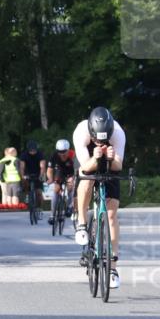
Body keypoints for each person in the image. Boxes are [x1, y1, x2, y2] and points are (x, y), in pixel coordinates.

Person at [73, 107, 126, 290]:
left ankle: (113, 268)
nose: (100, 143)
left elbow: (118, 166)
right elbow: (86, 168)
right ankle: (82, 223)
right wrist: (96, 158)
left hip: (109, 166)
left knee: (111, 215)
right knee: (87, 180)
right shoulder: (81, 132)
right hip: (88, 161)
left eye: (103, 140)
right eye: (96, 140)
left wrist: (111, 159)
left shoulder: (118, 133)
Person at [47, 139, 77, 224]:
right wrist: (50, 179)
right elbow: (49, 170)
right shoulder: (54, 156)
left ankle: (69, 206)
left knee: (70, 186)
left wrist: (73, 178)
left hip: (71, 172)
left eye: (64, 152)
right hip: (59, 171)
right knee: (56, 189)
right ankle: (52, 215)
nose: (62, 154)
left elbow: (77, 169)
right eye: (59, 152)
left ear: (68, 150)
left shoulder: (73, 155)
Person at [20, 140, 46, 209]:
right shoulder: (24, 155)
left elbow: (42, 166)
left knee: (39, 192)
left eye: (34, 150)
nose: (33, 152)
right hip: (28, 172)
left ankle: (39, 207)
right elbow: (22, 167)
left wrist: (41, 175)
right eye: (31, 150)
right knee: (25, 182)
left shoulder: (40, 154)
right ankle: (27, 195)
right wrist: (22, 176)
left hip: (38, 172)